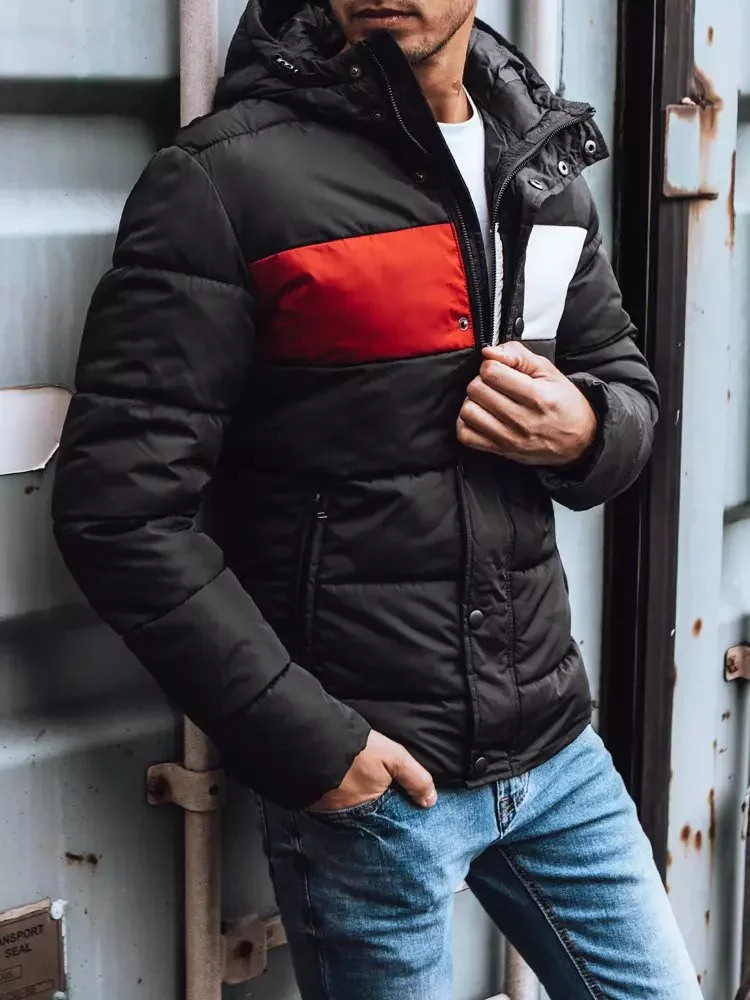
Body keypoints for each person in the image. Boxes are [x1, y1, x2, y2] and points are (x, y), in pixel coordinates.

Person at [51, 1, 702, 997]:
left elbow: (626, 390)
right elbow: (120, 513)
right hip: (378, 787)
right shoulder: (226, 181)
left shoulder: (538, 166)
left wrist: (585, 428)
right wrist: (318, 749)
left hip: (556, 754)